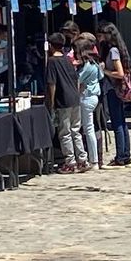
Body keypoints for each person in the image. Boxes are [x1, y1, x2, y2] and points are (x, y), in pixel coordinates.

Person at [47, 32, 88, 174]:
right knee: (76, 130)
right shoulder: (68, 60)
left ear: (51, 46)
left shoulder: (52, 62)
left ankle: (70, 162)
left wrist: (51, 102)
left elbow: (52, 84)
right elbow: (76, 79)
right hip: (75, 98)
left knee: (64, 133)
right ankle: (82, 159)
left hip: (63, 100)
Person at [98, 23, 131, 166]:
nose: (99, 38)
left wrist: (104, 70)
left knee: (117, 122)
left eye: (101, 35)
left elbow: (120, 73)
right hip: (116, 89)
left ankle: (121, 155)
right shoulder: (116, 49)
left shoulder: (113, 51)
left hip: (114, 89)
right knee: (122, 121)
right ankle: (125, 154)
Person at [75, 34, 103, 168]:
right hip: (94, 97)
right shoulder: (95, 64)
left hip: (86, 98)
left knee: (86, 129)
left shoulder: (86, 67)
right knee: (88, 128)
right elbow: (101, 76)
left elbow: (77, 80)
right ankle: (93, 158)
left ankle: (92, 159)